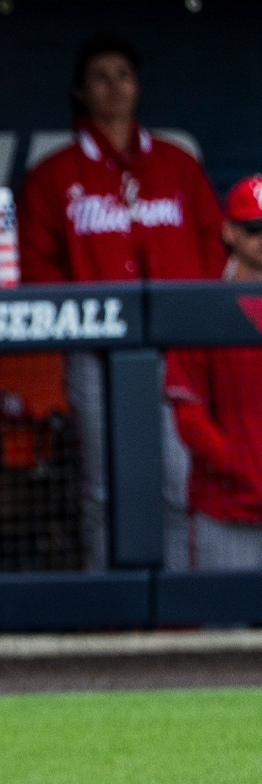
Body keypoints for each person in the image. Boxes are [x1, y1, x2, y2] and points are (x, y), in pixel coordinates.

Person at [18, 34, 223, 572]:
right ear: (81, 91)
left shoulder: (177, 164)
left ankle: (180, 610)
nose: (114, 86)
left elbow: (211, 242)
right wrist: (83, 316)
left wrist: (193, 316)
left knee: (181, 485)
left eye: (123, 75)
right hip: (97, 352)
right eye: (101, 76)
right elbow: (35, 265)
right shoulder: (55, 174)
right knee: (103, 490)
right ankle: (111, 608)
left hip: (179, 350)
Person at [165, 175, 262, 569]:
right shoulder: (200, 310)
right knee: (225, 629)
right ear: (229, 231)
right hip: (225, 511)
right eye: (254, 228)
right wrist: (240, 468)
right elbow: (189, 416)